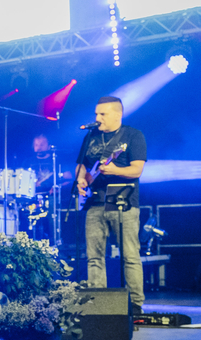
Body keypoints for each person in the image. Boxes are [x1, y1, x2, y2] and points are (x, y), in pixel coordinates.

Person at [75, 95, 148, 314]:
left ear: (118, 115)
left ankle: (135, 304)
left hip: (122, 201)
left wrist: (115, 170)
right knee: (94, 256)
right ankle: (98, 303)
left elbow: (137, 170)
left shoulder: (132, 136)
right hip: (94, 202)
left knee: (130, 255)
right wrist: (81, 179)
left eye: (102, 114)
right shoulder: (91, 136)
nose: (97, 118)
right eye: (96, 114)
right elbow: (81, 165)